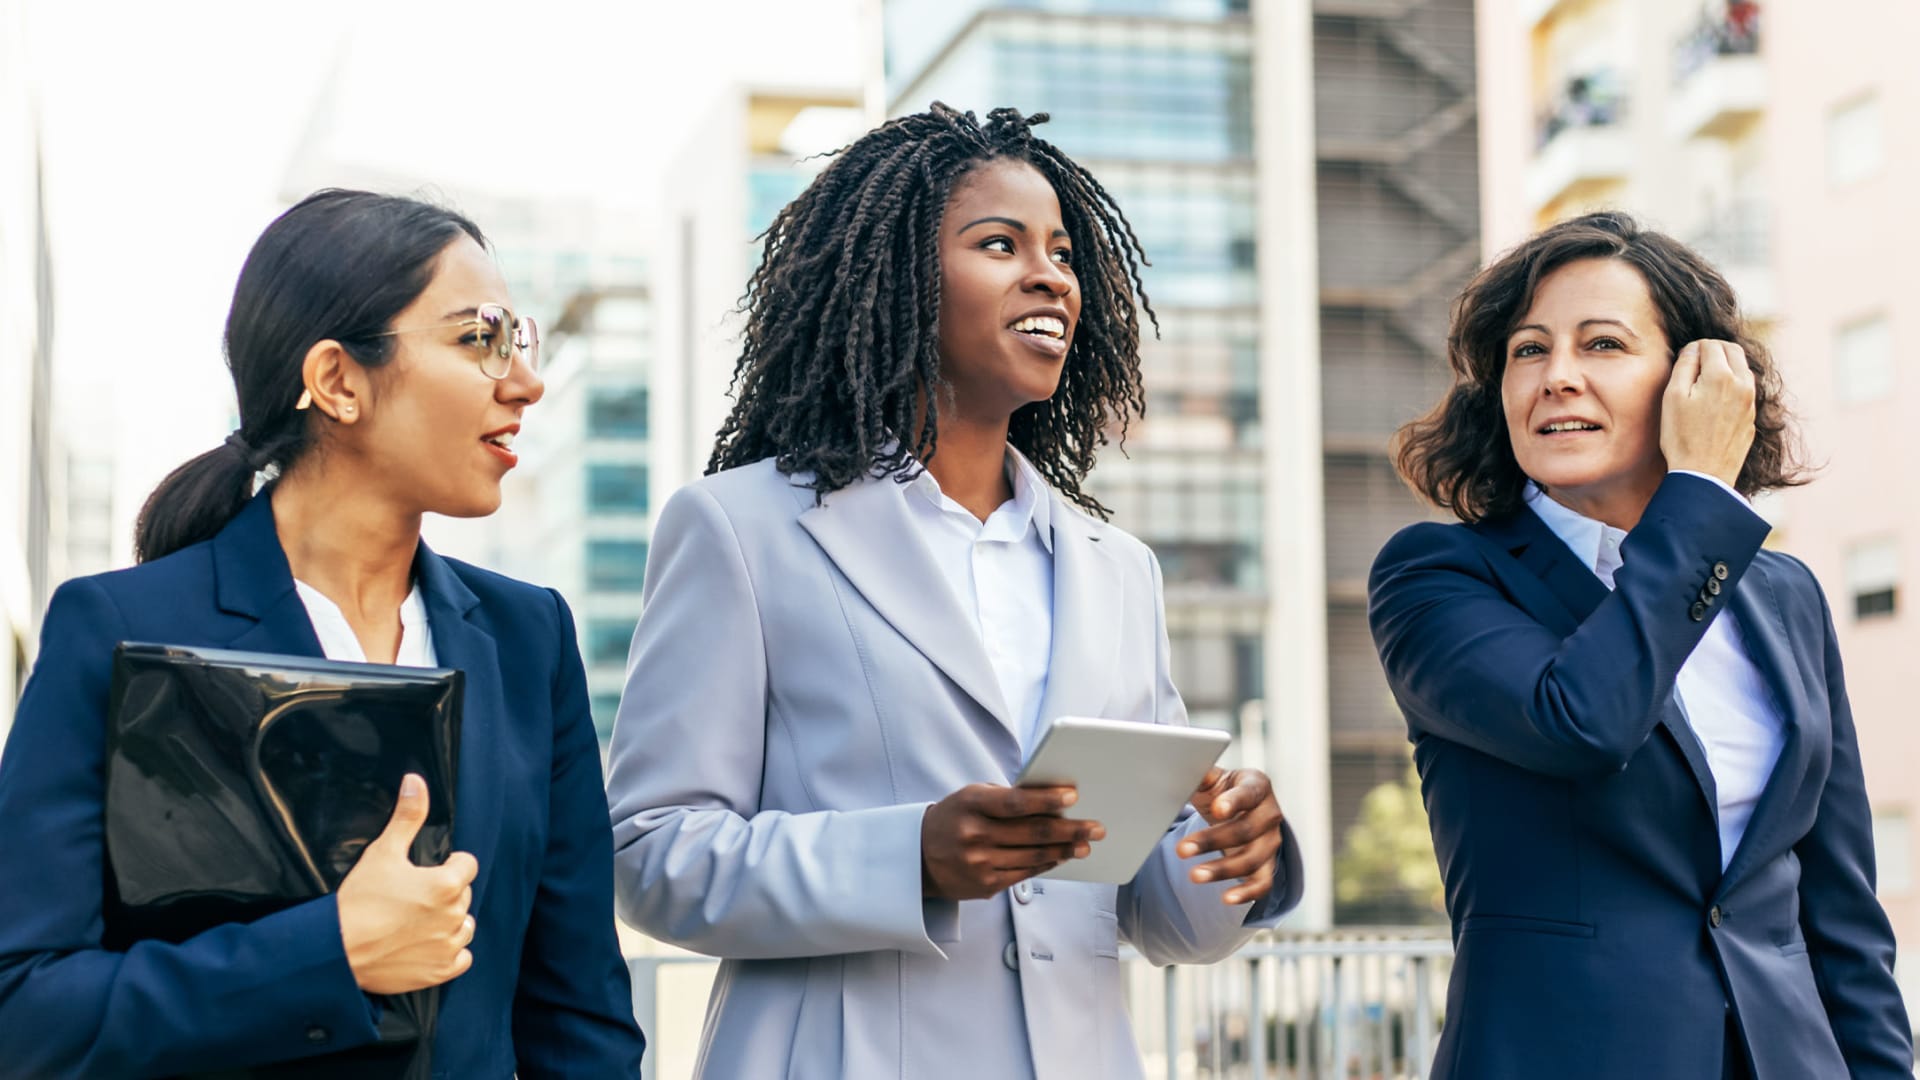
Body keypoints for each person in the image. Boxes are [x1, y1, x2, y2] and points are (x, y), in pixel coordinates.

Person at [604, 104, 1302, 1079]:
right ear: (897, 281)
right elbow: (651, 855)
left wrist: (1231, 854)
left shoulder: (1118, 571)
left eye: (1061, 251)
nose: (1050, 274)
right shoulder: (741, 530)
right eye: (999, 244)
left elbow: (1153, 912)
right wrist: (911, 857)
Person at [0, 190, 647, 1077]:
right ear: (339, 380)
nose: (525, 383)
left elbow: (580, 1023)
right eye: (478, 339)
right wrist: (328, 954)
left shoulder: (528, 639)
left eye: (516, 341)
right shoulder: (116, 628)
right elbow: (25, 1013)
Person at [1370, 210, 1911, 1079]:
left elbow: (1840, 912)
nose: (1558, 378)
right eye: (1529, 350)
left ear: (1697, 380)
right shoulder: (1439, 576)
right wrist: (1696, 491)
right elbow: (1581, 720)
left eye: (1604, 345)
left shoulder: (1784, 596)